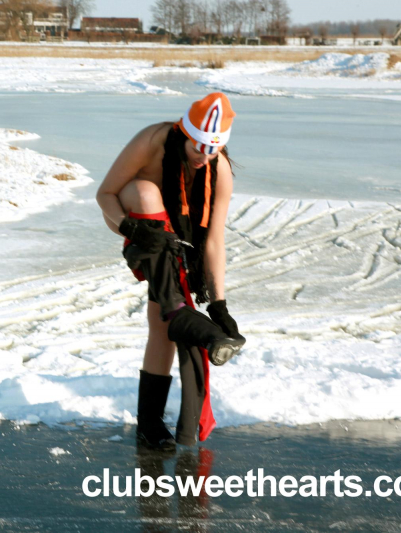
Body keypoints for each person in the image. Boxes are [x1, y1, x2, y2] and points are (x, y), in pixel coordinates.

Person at [96, 92, 246, 451]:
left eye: (212, 149)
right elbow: (105, 194)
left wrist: (219, 305)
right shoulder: (152, 140)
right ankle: (185, 318)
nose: (204, 156)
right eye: (198, 147)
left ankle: (150, 425)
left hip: (182, 250)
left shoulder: (219, 169)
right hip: (136, 224)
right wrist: (130, 229)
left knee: (162, 326)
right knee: (146, 192)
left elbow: (213, 242)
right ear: (185, 130)